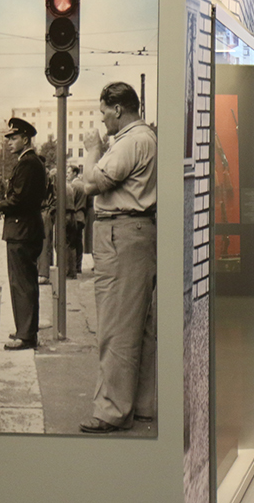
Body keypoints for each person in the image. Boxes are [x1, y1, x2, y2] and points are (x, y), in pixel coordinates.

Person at [79, 82, 157, 434]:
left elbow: (94, 182)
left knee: (116, 326)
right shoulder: (142, 139)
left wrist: (92, 150)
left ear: (118, 109)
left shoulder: (132, 140)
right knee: (139, 326)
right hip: (134, 234)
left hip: (121, 234)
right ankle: (140, 405)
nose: (102, 118)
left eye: (103, 112)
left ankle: (111, 411)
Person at [0, 118, 47, 351]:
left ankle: (26, 335)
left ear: (25, 138)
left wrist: (0, 205)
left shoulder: (27, 163)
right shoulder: (29, 162)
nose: (9, 143)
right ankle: (25, 329)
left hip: (22, 230)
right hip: (25, 229)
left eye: (13, 138)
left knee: (22, 283)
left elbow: (20, 198)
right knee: (23, 282)